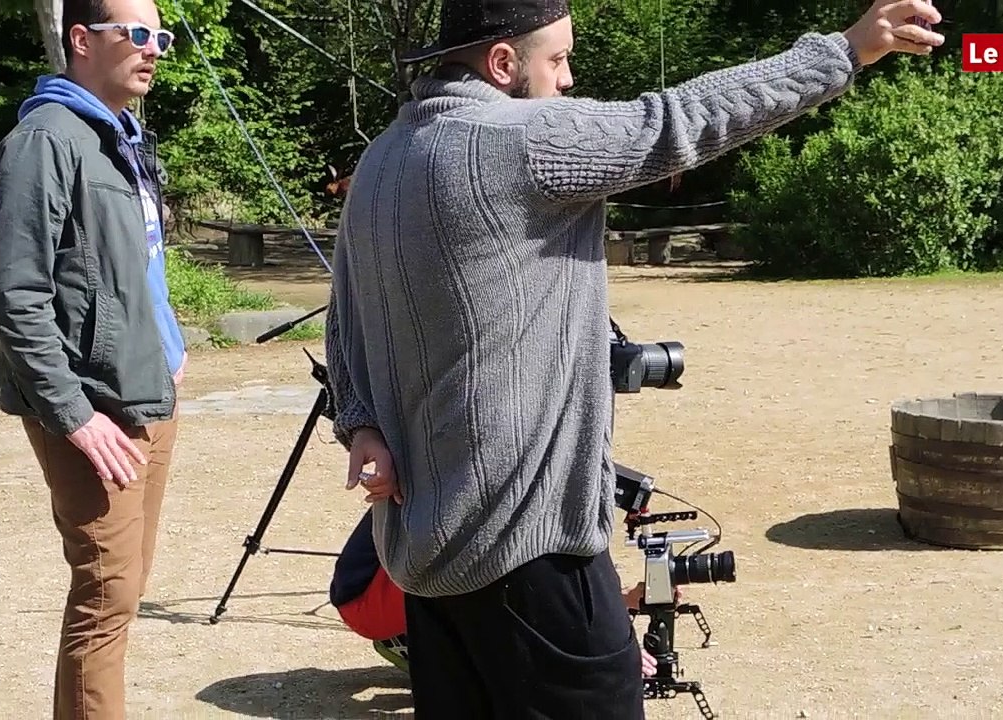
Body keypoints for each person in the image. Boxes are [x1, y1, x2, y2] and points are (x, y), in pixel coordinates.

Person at [323, 0, 944, 716]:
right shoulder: (522, 140)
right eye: (556, 59)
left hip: (427, 571)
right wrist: (845, 50)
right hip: (531, 557)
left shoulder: (381, 159)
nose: (569, 78)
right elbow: (680, 119)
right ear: (502, 63)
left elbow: (345, 320)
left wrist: (360, 421)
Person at [0, 0, 184, 717]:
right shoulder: (45, 140)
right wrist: (74, 414)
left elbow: (129, 270)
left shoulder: (116, 137)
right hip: (96, 414)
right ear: (80, 39)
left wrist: (168, 348)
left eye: (160, 35)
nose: (154, 48)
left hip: (146, 395)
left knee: (119, 597)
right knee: (104, 600)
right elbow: (14, 293)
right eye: (136, 34)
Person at [329, 508, 665, 677]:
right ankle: (414, 637)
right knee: (503, 574)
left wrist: (621, 601)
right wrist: (605, 647)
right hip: (366, 599)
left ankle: (415, 636)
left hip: (384, 584)